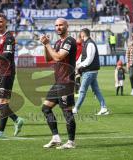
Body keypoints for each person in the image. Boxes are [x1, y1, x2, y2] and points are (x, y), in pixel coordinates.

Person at [39, 18, 76, 149]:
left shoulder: (69, 41)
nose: (58, 27)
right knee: (45, 108)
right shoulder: (58, 42)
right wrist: (45, 44)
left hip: (67, 81)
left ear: (67, 26)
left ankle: (71, 142)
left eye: (61, 25)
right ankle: (56, 138)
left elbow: (58, 57)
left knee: (67, 112)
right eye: (56, 25)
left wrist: (48, 44)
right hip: (58, 81)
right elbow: (48, 58)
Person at [72, 28, 109, 115]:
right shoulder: (87, 43)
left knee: (82, 90)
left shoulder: (90, 44)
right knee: (96, 90)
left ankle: (76, 109)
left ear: (83, 34)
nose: (80, 36)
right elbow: (82, 57)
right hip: (90, 71)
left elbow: (89, 59)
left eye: (80, 34)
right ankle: (103, 108)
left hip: (89, 71)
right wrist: (76, 65)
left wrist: (78, 66)